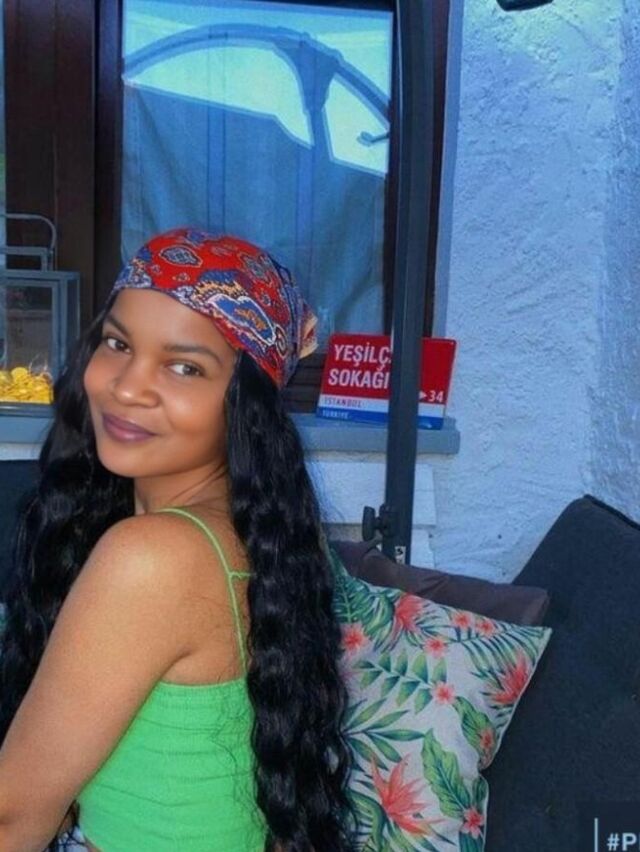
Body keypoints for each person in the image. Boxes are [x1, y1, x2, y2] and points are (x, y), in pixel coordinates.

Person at [0, 229, 354, 852]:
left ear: (244, 404)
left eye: (185, 367)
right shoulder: (261, 537)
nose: (125, 387)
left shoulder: (152, 555)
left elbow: (12, 818)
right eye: (117, 343)